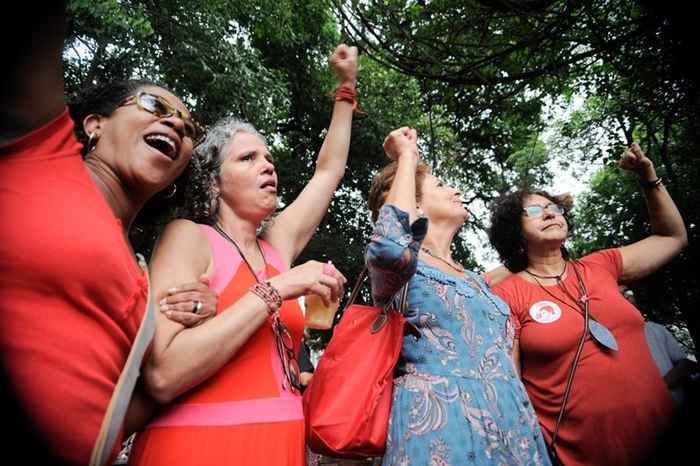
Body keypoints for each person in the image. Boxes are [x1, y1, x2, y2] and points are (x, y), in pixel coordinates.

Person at [0, 4, 219, 464]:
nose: (177, 124)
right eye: (155, 107)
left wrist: (196, 324)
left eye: (189, 127)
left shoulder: (142, 276)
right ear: (95, 124)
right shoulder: (42, 152)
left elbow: (124, 409)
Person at [127, 44, 357, 466]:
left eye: (269, 158)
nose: (268, 166)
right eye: (249, 158)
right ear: (213, 183)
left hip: (283, 443)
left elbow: (329, 171)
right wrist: (276, 288)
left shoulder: (277, 245)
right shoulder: (189, 237)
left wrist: (346, 89)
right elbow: (163, 375)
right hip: (200, 445)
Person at [487, 143, 688, 466]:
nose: (551, 213)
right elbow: (507, 386)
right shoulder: (506, 294)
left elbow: (671, 238)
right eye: (536, 210)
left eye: (554, 208)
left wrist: (648, 177)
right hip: (579, 457)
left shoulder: (601, 265)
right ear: (514, 228)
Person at [365, 127, 551, 465]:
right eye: (440, 184)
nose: (456, 190)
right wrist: (407, 156)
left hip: (513, 427)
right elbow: (390, 245)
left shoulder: (477, 282)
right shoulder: (402, 271)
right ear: (415, 202)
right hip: (441, 426)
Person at [619, 285, 699, 404]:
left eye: (628, 292)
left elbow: (686, 364)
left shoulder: (656, 329)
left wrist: (660, 388)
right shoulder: (608, 338)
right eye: (619, 295)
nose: (626, 298)